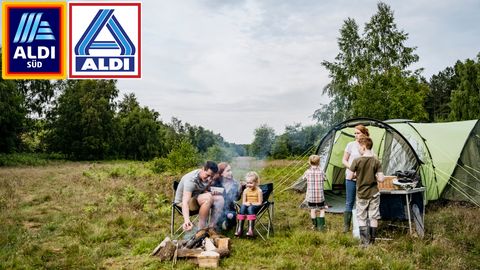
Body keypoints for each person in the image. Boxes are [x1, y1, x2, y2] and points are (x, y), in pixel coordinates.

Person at [349, 136, 384, 246]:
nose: (359, 149)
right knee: (373, 217)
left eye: (359, 147)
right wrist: (375, 176)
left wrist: (357, 175)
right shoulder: (376, 161)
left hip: (362, 194)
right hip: (374, 193)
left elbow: (349, 176)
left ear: (363, 147)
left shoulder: (356, 161)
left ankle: (364, 243)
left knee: (362, 217)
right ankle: (372, 241)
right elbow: (381, 179)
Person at [174, 161, 223, 231]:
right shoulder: (191, 180)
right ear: (203, 169)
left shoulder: (206, 178)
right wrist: (187, 221)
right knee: (207, 199)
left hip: (197, 198)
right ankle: (201, 230)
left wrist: (211, 192)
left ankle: (212, 227)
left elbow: (203, 190)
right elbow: (185, 202)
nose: (209, 179)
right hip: (182, 203)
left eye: (212, 177)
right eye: (208, 175)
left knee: (220, 199)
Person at [342, 124, 370, 233]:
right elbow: (344, 160)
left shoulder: (367, 145)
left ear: (364, 134)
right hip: (350, 177)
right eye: (355, 133)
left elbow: (370, 161)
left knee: (361, 202)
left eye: (358, 133)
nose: (356, 135)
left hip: (363, 178)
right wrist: (352, 169)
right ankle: (346, 226)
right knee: (349, 201)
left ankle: (360, 227)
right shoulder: (350, 145)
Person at [212, 162, 241, 231]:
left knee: (230, 215)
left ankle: (226, 223)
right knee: (220, 216)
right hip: (217, 209)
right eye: (228, 171)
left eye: (231, 170)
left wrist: (240, 190)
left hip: (230, 209)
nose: (231, 172)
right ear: (221, 173)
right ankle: (219, 224)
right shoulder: (216, 183)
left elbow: (236, 199)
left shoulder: (235, 183)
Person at [303, 154, 326, 231]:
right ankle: (321, 226)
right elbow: (325, 178)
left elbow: (304, 178)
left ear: (309, 162)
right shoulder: (321, 171)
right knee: (322, 209)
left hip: (311, 196)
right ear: (319, 163)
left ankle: (314, 225)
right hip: (320, 196)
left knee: (312, 210)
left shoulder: (307, 172)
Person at [235, 171, 263, 237]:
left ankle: (250, 230)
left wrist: (251, 203)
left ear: (256, 183)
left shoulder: (259, 191)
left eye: (251, 183)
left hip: (256, 207)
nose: (249, 185)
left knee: (250, 207)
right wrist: (246, 203)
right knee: (243, 206)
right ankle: (240, 230)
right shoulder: (245, 190)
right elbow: (244, 202)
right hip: (247, 206)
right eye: (247, 183)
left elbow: (260, 203)